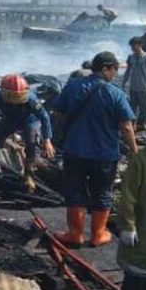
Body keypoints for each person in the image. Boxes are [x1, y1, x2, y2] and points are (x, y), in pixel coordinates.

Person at [54, 51, 138, 247]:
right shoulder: (115, 92)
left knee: (75, 191)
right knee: (102, 192)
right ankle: (98, 235)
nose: (115, 74)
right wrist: (134, 151)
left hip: (74, 150)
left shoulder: (73, 86)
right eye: (114, 70)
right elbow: (126, 126)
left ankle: (75, 235)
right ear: (105, 69)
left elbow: (58, 112)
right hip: (105, 154)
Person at [0, 74, 55, 192]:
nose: (15, 101)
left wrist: (47, 140)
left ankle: (29, 175)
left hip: (29, 121)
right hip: (10, 119)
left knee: (31, 143)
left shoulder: (32, 99)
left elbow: (44, 117)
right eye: (12, 96)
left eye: (18, 97)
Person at [115, 148, 146, 290]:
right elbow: (128, 196)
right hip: (142, 229)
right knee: (134, 278)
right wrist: (128, 226)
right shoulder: (142, 160)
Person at [124, 36, 146, 131]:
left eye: (134, 46)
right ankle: (133, 125)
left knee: (144, 107)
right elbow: (128, 70)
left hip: (145, 86)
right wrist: (124, 82)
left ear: (140, 45)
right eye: (131, 46)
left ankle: (142, 124)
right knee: (132, 107)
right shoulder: (131, 57)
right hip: (133, 86)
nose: (132, 48)